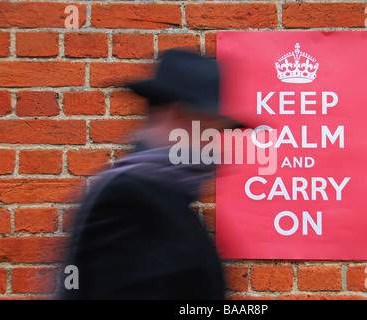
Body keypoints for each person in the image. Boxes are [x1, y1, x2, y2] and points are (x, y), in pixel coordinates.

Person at [59, 49, 243, 300]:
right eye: (212, 127)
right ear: (179, 114)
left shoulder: (159, 191)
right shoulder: (132, 200)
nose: (217, 143)